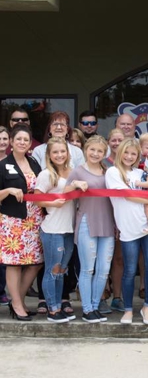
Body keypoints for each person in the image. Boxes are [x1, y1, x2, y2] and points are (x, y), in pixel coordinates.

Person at [105, 138, 148, 325]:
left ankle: (147, 307)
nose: (129, 156)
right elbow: (127, 195)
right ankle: (128, 309)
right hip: (129, 228)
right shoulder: (113, 172)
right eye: (126, 152)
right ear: (120, 153)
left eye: (133, 153)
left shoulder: (141, 172)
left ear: (138, 156)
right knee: (130, 269)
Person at [66, 135, 115, 323]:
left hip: (107, 223)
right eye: (92, 149)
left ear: (105, 154)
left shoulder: (108, 171)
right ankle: (86, 309)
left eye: (100, 151)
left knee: (103, 269)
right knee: (88, 269)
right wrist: (76, 184)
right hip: (87, 222)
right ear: (86, 150)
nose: (95, 153)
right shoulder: (77, 171)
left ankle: (95, 306)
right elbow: (65, 192)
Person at [0, 124, 44, 321]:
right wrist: (8, 191)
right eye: (18, 139)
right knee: (14, 264)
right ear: (11, 141)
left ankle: (16, 299)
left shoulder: (33, 162)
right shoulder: (3, 165)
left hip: (34, 220)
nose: (22, 142)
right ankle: (17, 304)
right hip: (13, 221)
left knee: (36, 262)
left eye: (26, 140)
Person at [34, 137, 76, 323]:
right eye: (55, 152)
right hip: (52, 229)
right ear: (49, 155)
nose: (59, 155)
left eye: (62, 151)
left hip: (68, 229)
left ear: (67, 153)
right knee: (53, 270)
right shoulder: (46, 175)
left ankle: (58, 305)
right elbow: (37, 200)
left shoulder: (73, 172)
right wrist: (53, 202)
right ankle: (52, 309)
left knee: (62, 270)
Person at [102, 128, 126, 312]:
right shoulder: (102, 163)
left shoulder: (131, 164)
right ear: (108, 142)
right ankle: (101, 296)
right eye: (114, 140)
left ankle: (117, 297)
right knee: (101, 258)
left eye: (120, 140)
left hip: (122, 217)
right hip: (103, 215)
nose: (117, 143)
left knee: (118, 259)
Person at [0, 126, 9, 306]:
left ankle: (1, 291)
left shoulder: (12, 162)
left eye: (5, 138)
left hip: (6, 216)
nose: (2, 142)